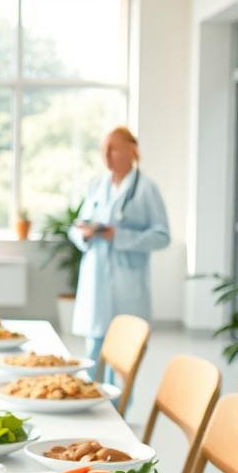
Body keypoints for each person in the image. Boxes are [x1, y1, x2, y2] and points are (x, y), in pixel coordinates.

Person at [68, 127, 170, 381]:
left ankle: (118, 413)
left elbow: (162, 236)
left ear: (131, 151)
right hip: (96, 281)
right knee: (93, 353)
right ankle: (90, 408)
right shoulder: (96, 186)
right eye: (104, 149)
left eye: (113, 149)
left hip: (128, 284)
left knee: (123, 359)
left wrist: (120, 236)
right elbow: (76, 226)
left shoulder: (146, 189)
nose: (107, 156)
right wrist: (85, 234)